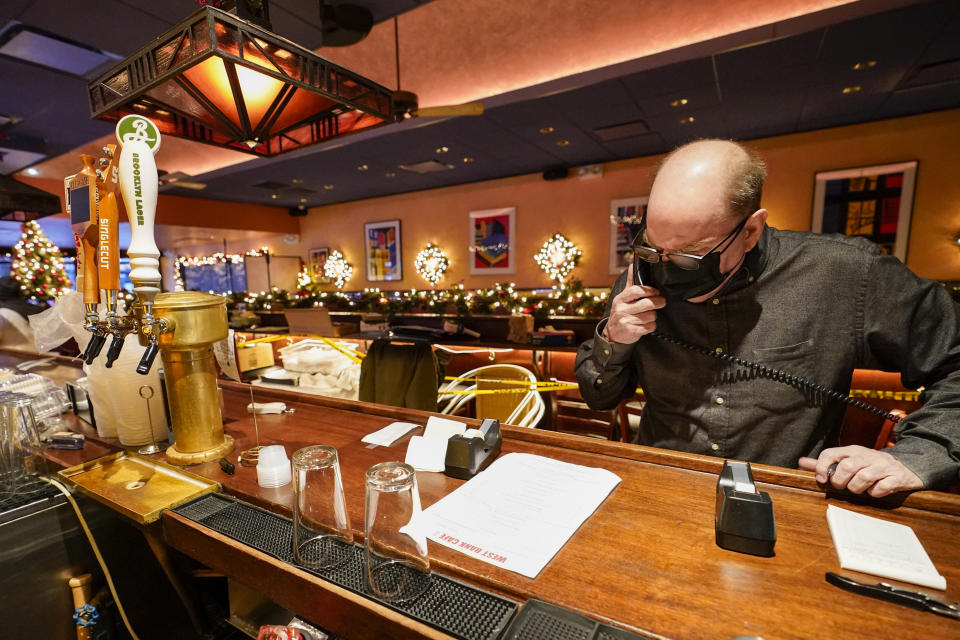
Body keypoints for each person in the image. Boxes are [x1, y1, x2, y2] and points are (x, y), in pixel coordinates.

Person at [575, 139, 959, 497]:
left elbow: (953, 363)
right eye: (653, 247)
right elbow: (599, 396)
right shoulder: (639, 282)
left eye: (690, 256)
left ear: (751, 230)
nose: (666, 267)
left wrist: (917, 455)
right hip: (663, 487)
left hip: (786, 500)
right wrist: (614, 339)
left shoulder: (846, 274)